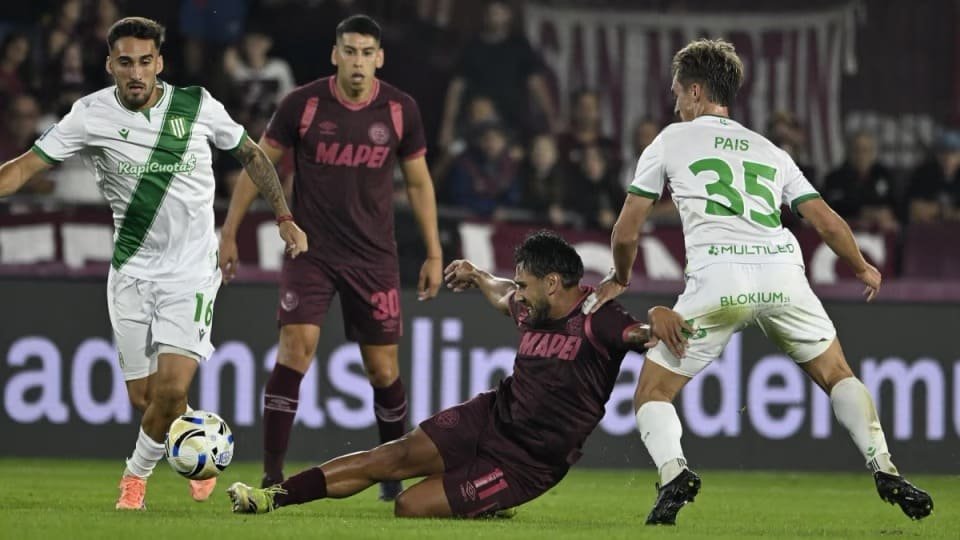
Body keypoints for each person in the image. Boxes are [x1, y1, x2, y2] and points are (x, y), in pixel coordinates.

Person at [587, 38, 933, 525]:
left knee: (653, 394)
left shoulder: (669, 140)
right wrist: (861, 267)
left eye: (677, 92)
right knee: (838, 375)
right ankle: (884, 464)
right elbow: (826, 221)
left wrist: (620, 278)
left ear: (696, 92)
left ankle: (673, 473)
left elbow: (626, 230)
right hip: (782, 274)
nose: (674, 102)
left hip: (717, 281)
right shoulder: (769, 149)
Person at [0, 17, 308, 510]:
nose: (136, 72)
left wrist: (284, 216)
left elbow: (252, 154)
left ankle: (133, 482)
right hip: (130, 273)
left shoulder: (197, 105)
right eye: (126, 63)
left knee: (170, 389)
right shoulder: (89, 115)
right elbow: (22, 171)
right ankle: (194, 442)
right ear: (110, 65)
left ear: (160, 63)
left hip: (191, 272)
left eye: (146, 62)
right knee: (147, 401)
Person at [226, 231, 683, 518]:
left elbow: (641, 335)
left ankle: (488, 503)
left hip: (527, 463)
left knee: (409, 506)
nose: (519, 295)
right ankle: (274, 497)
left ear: (553, 283)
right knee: (390, 457)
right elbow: (501, 292)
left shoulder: (598, 316)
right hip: (490, 416)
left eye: (526, 285)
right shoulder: (529, 305)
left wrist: (659, 319)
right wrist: (478, 274)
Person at [218, 15, 444, 501]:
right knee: (295, 350)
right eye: (350, 51)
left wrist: (433, 250)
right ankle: (272, 474)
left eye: (367, 52)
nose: (358, 61)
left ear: (379, 57)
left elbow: (419, 182)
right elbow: (260, 162)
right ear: (334, 55)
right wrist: (230, 231)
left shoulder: (400, 109)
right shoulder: (303, 103)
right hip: (310, 251)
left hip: (374, 257)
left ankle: (392, 473)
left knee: (383, 370)